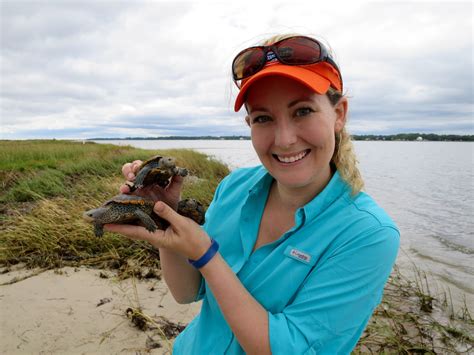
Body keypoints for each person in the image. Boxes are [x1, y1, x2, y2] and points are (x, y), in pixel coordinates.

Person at [105, 34, 400, 354]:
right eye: (263, 118)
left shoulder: (368, 234)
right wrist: (164, 221)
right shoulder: (235, 187)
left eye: (302, 111)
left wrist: (205, 253)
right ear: (249, 124)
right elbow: (188, 291)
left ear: (339, 114)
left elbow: (287, 348)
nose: (285, 139)